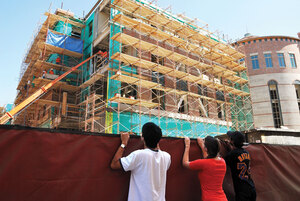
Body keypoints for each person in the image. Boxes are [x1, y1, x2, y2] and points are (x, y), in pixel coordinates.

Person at [110, 122, 171, 201]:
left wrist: (123, 143)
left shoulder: (139, 155)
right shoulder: (167, 157)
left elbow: (114, 164)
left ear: (142, 137)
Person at [182, 136, 227, 201]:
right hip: (223, 198)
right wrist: (202, 145)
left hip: (209, 198)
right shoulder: (222, 162)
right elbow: (210, 160)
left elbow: (185, 163)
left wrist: (187, 146)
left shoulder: (204, 163)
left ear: (206, 148)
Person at [225, 131, 256, 201]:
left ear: (232, 141)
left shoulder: (232, 155)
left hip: (242, 191)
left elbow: (225, 161)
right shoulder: (246, 152)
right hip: (251, 187)